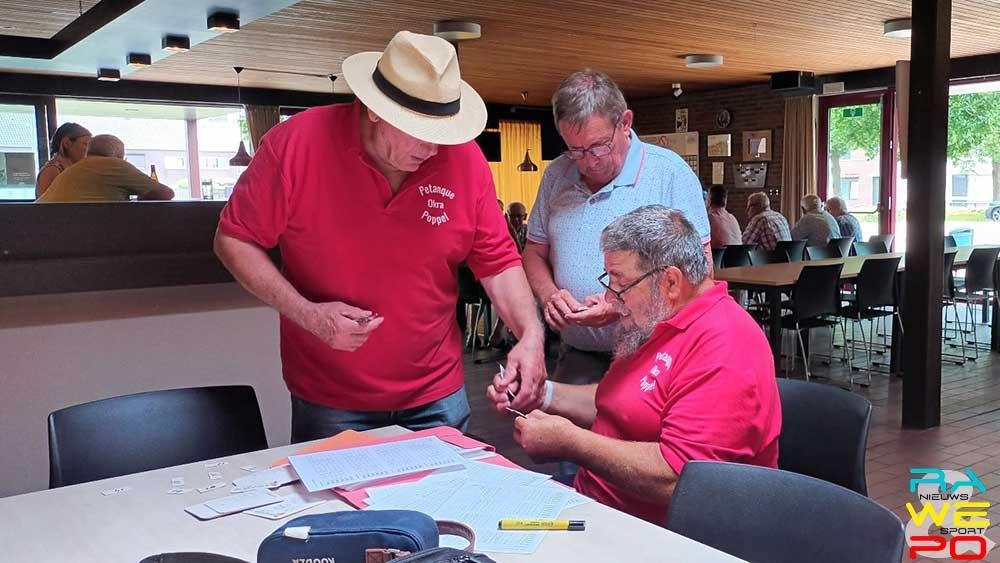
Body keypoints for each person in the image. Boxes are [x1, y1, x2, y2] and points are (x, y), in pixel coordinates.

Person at [214, 31, 546, 442]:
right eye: (419, 131)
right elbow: (234, 239)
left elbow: (497, 262)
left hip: (438, 394)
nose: (434, 149)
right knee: (343, 508)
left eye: (443, 132)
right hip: (330, 398)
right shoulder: (294, 146)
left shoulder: (464, 160)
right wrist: (307, 314)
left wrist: (531, 335)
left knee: (443, 506)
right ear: (375, 109)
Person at [490, 205, 781, 524]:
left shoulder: (726, 343)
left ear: (670, 282)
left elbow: (678, 478)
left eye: (620, 283)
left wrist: (569, 442)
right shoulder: (660, 318)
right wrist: (539, 393)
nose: (609, 300)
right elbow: (622, 401)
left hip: (658, 534)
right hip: (598, 504)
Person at [522, 69, 710, 387]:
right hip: (577, 352)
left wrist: (619, 306)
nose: (587, 161)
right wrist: (549, 295)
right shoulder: (557, 174)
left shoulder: (670, 173)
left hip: (653, 356)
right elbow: (533, 253)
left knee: (632, 437)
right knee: (561, 433)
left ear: (625, 123)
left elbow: (701, 276)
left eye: (598, 146)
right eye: (575, 149)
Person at [36, 135, 175, 203]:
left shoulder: (76, 168)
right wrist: (141, 199)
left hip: (41, 229)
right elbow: (166, 194)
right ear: (118, 156)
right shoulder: (114, 165)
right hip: (74, 234)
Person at [36, 123, 91, 198]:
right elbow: (45, 206)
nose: (89, 149)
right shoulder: (52, 170)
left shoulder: (72, 168)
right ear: (67, 143)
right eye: (85, 144)